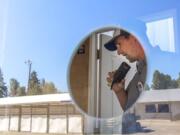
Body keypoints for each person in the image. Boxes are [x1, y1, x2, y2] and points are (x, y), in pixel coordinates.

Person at [104, 29, 147, 111]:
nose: (118, 52)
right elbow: (129, 108)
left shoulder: (165, 63)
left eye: (119, 45)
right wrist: (119, 91)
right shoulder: (140, 69)